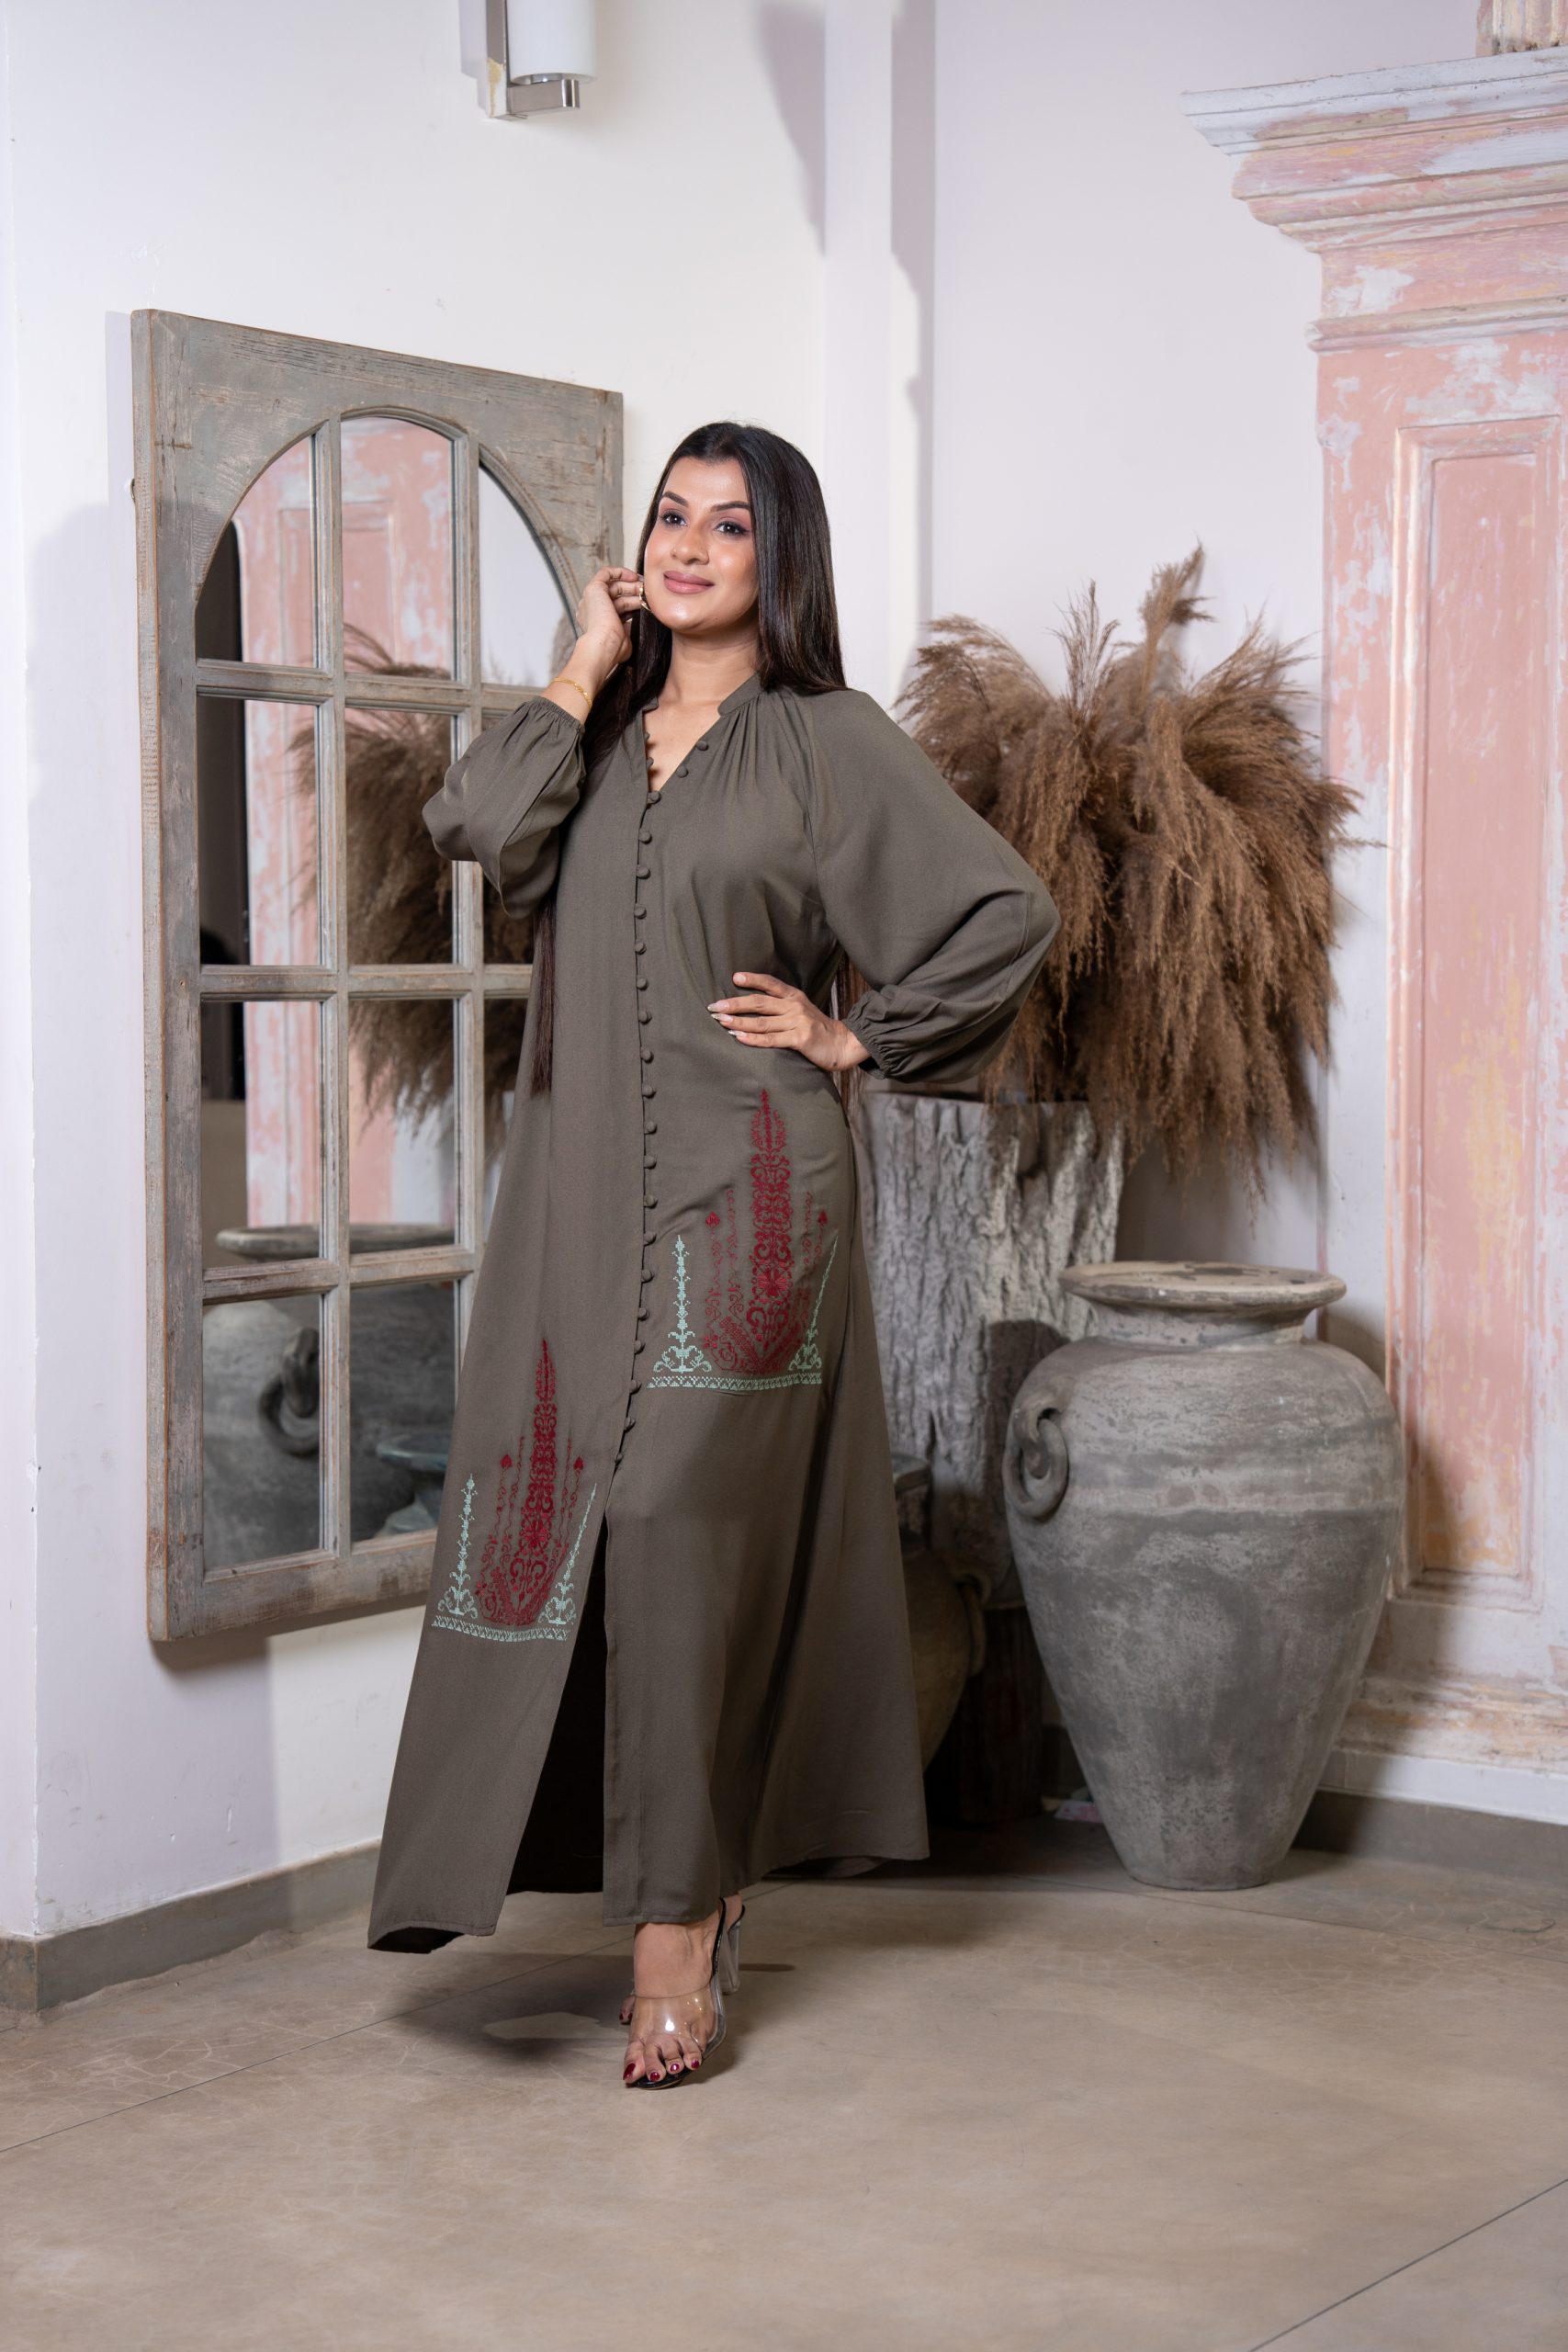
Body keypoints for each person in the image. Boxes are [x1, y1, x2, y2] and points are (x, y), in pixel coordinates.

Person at [367, 421, 1060, 2088]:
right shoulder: (593, 740)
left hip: (756, 1195)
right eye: (670, 518)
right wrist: (583, 660)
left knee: (674, 1520)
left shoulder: (828, 739)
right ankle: (655, 1875)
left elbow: (1006, 913)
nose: (687, 546)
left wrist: (855, 1038)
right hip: (576, 1196)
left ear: (781, 556)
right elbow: (476, 825)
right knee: (548, 1512)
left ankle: (679, 1927)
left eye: (728, 525)